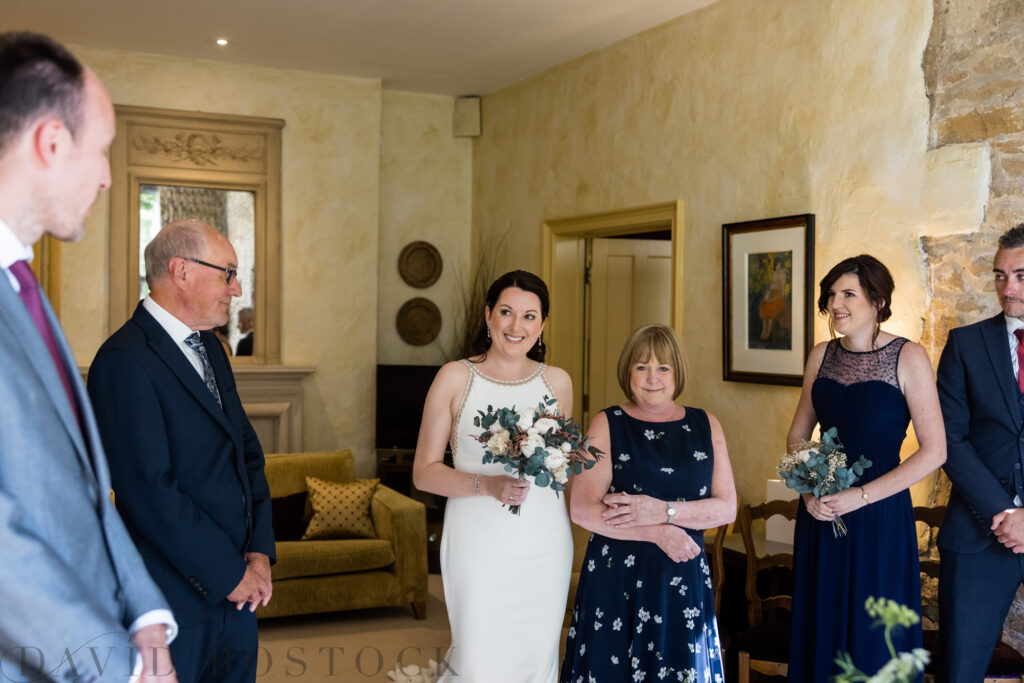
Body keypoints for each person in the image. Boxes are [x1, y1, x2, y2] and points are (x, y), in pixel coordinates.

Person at [0, 31, 178, 683]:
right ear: (50, 142)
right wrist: (117, 663)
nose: (107, 176)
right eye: (100, 150)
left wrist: (144, 613)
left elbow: (83, 491)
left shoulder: (22, 285)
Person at [88, 219, 276, 683]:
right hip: (175, 598)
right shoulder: (123, 360)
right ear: (181, 271)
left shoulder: (212, 350)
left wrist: (258, 552)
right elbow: (149, 491)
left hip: (239, 595)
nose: (236, 289)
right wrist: (227, 574)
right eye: (228, 273)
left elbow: (246, 453)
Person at [786, 254, 946, 681]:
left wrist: (859, 496)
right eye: (832, 294)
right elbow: (798, 436)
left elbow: (935, 452)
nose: (836, 303)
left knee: (873, 639)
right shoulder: (821, 355)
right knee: (822, 629)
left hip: (879, 517)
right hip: (822, 515)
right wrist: (809, 492)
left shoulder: (908, 357)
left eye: (848, 293)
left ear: (877, 300)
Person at [412, 270, 574, 681]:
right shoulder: (454, 377)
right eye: (506, 312)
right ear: (488, 316)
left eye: (529, 316)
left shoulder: (557, 382)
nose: (516, 326)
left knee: (537, 658)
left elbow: (561, 466)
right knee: (479, 659)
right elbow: (424, 473)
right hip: (477, 541)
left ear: (542, 325)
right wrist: (489, 485)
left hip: (545, 541)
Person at [560, 323, 735, 682]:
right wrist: (657, 532)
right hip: (617, 579)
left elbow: (726, 507)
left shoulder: (708, 425)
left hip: (682, 578)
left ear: (677, 373)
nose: (652, 377)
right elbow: (581, 509)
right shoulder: (606, 423)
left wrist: (666, 512)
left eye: (663, 367)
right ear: (628, 371)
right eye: (642, 366)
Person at [936, 223, 1024, 682]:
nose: (1007, 289)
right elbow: (949, 441)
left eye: (1021, 276)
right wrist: (1007, 513)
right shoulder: (964, 345)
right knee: (961, 670)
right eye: (999, 275)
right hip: (977, 534)